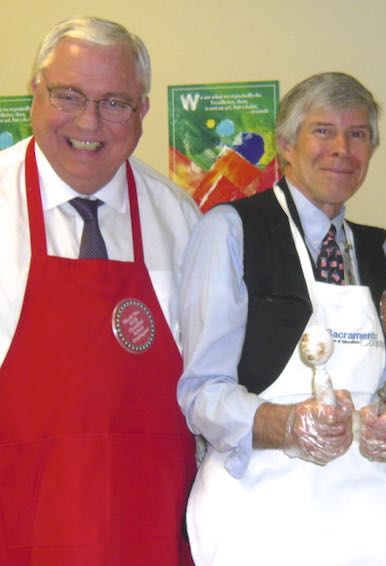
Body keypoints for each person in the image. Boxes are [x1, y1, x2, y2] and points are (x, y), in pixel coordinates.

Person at [178, 72, 386, 566]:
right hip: (261, 516)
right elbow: (202, 391)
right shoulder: (231, 232)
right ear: (285, 146)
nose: (342, 149)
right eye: (323, 131)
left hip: (366, 518)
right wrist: (285, 425)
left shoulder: (378, 255)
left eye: (357, 135)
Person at [0, 16, 200, 566]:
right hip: (20, 533)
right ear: (35, 95)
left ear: (143, 112)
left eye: (114, 102)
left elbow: (211, 388)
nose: (89, 121)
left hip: (153, 534)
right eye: (69, 95)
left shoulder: (181, 218)